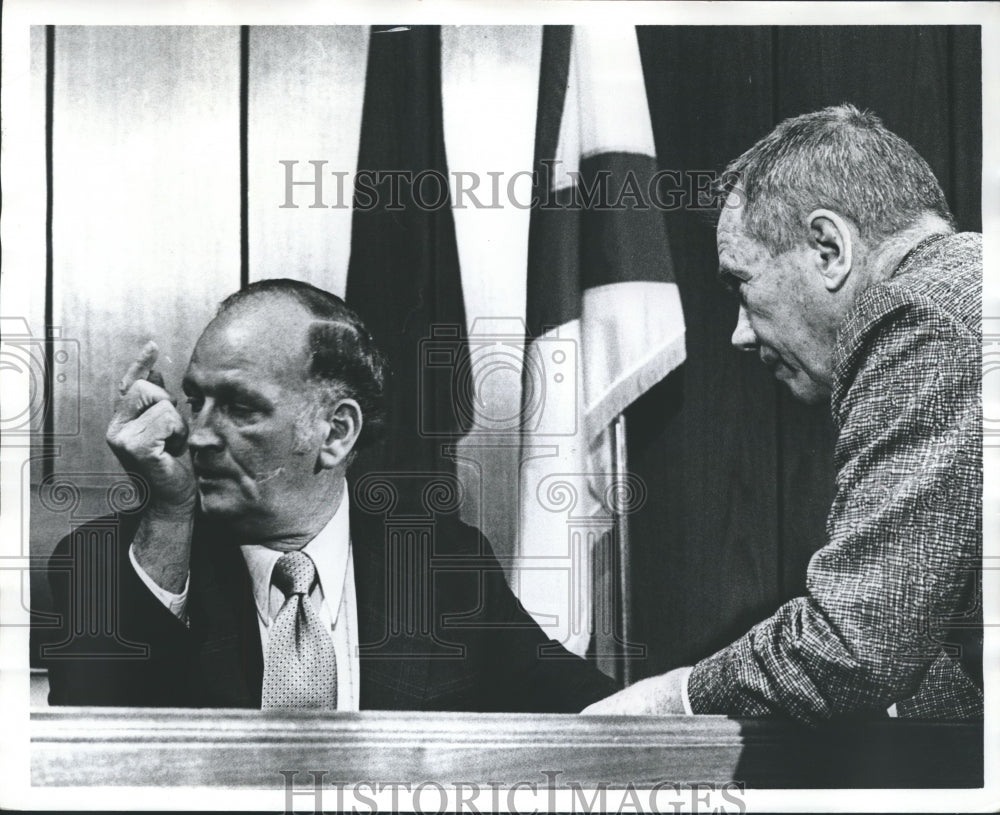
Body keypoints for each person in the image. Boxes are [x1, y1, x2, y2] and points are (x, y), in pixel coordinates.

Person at [41, 278, 617, 711]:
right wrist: (169, 514)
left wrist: (698, 692)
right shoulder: (107, 564)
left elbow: (581, 714)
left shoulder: (443, 564)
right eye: (196, 402)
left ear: (336, 432)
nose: (198, 435)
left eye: (241, 407)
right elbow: (94, 742)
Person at [584, 104, 982, 724]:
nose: (740, 334)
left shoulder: (922, 314)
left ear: (828, 248)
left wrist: (672, 700)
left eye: (741, 284)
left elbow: (858, 644)